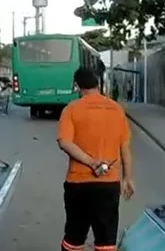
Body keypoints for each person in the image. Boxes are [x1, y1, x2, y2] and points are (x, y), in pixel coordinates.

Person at [56, 67, 135, 251]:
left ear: (77, 86)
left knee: (74, 239)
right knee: (106, 241)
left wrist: (91, 162)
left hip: (78, 183)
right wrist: (128, 179)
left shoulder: (71, 109)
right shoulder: (117, 109)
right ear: (97, 84)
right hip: (109, 184)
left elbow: (64, 142)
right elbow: (125, 148)